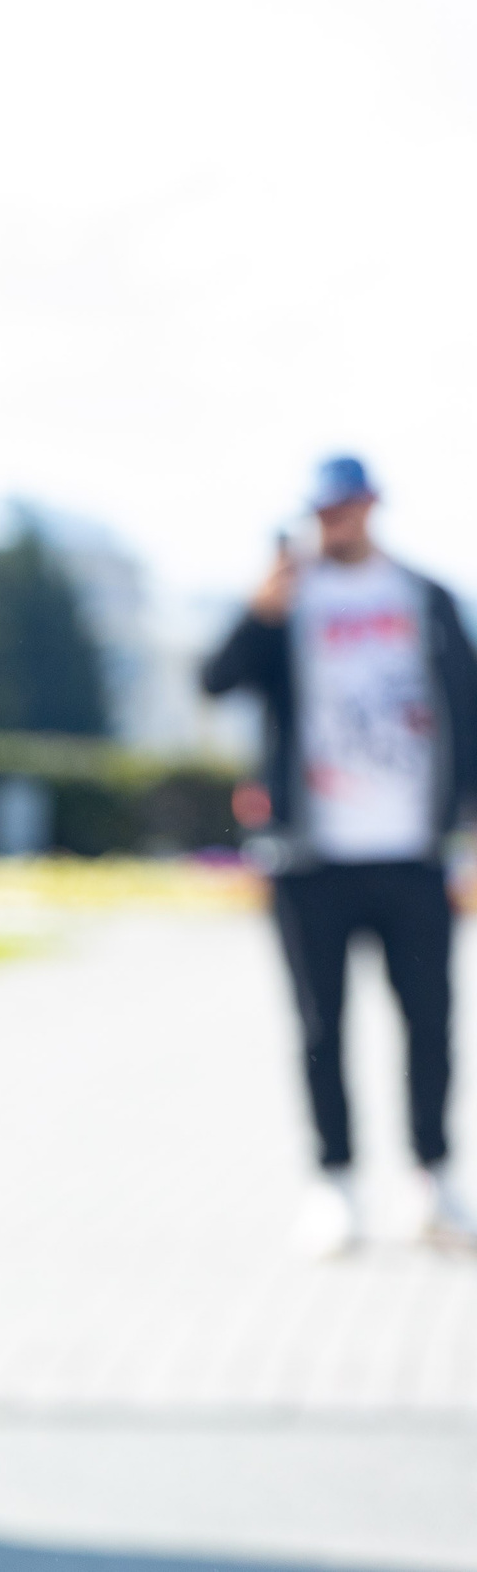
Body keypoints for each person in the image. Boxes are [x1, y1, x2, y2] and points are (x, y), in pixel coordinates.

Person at [200, 455, 477, 1254]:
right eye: (323, 511)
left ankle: (432, 1180)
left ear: (372, 505)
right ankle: (336, 1185)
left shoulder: (425, 598)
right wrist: (258, 611)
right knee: (321, 1028)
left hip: (413, 854)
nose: (335, 523)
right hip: (310, 860)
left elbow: (470, 714)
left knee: (430, 1023)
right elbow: (215, 681)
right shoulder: (289, 604)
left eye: (346, 508)